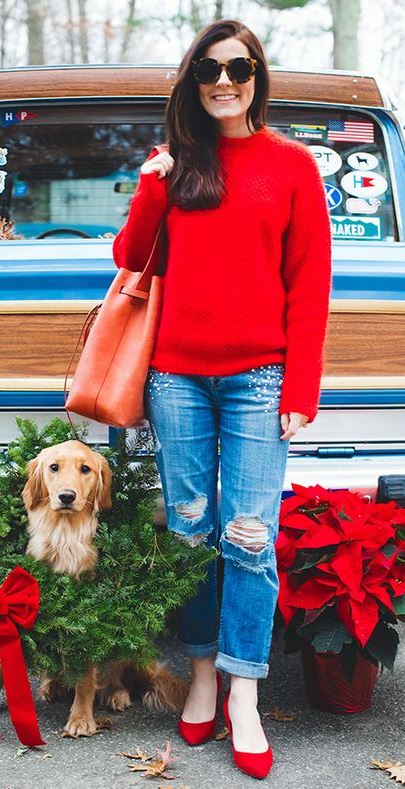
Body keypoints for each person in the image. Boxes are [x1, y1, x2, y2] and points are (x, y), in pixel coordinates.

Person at [113, 18, 331, 780]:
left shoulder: (292, 166)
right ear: (192, 79)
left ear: (256, 76)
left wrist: (300, 384)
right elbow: (132, 259)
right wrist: (150, 184)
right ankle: (201, 672)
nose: (223, 79)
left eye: (237, 67)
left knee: (247, 533)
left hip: (259, 377)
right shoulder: (176, 165)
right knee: (188, 531)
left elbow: (309, 287)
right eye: (208, 68)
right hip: (174, 377)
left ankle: (243, 687)